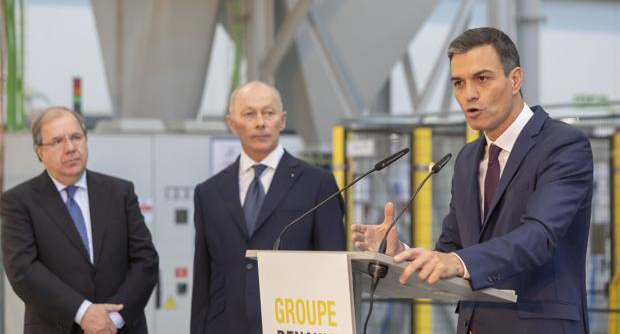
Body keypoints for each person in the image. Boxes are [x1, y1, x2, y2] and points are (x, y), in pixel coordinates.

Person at [352, 27, 592, 334]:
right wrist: (400, 253)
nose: (469, 94)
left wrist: (457, 261)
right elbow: (451, 250)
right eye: (458, 83)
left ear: (515, 79)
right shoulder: (466, 159)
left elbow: (539, 237)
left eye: (482, 78)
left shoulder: (562, 145)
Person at [191, 81, 346, 334]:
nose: (260, 122)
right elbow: (203, 278)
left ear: (282, 121)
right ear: (232, 124)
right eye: (249, 114)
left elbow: (333, 271)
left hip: (294, 325)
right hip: (225, 326)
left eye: (269, 113)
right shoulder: (208, 193)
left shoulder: (318, 184)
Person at [1, 107, 159, 334]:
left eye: (76, 137)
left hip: (119, 328)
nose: (70, 148)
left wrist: (112, 320)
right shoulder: (19, 202)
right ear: (39, 152)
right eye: (56, 141)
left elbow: (146, 261)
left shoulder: (120, 192)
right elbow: (23, 271)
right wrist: (83, 313)